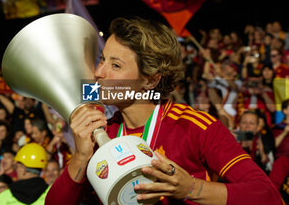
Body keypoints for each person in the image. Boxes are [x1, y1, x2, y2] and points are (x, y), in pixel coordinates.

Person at [45, 17, 282, 205]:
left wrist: (190, 188)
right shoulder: (102, 135)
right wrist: (80, 158)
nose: (99, 73)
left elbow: (267, 195)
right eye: (102, 60)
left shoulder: (193, 126)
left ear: (150, 80)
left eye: (115, 65)